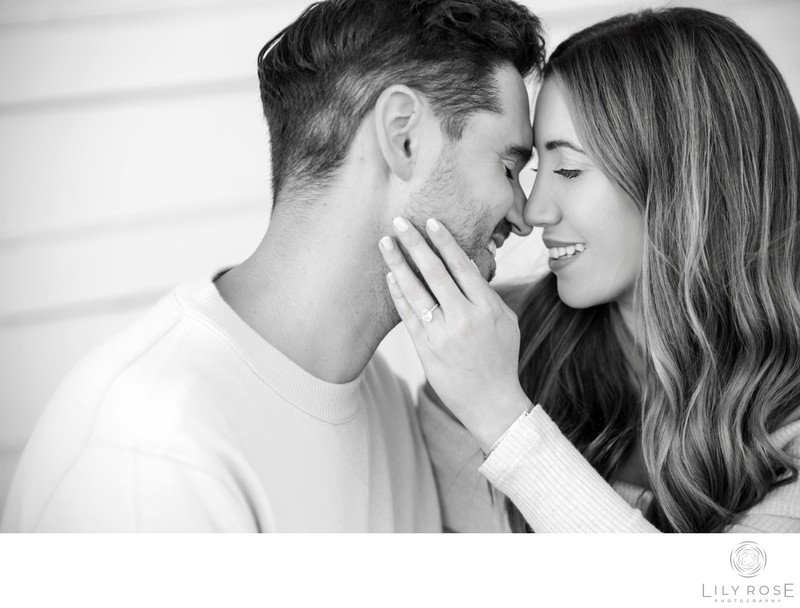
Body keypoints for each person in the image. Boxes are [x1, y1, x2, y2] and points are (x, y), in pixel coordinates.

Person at [1, 0, 545, 532]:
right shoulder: (154, 453)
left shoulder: (383, 399)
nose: (524, 217)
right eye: (507, 166)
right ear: (404, 137)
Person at [379, 7, 800, 533]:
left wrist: (500, 414)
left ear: (691, 185)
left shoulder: (486, 383)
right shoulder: (488, 345)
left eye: (570, 169)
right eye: (532, 170)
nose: (533, 211)